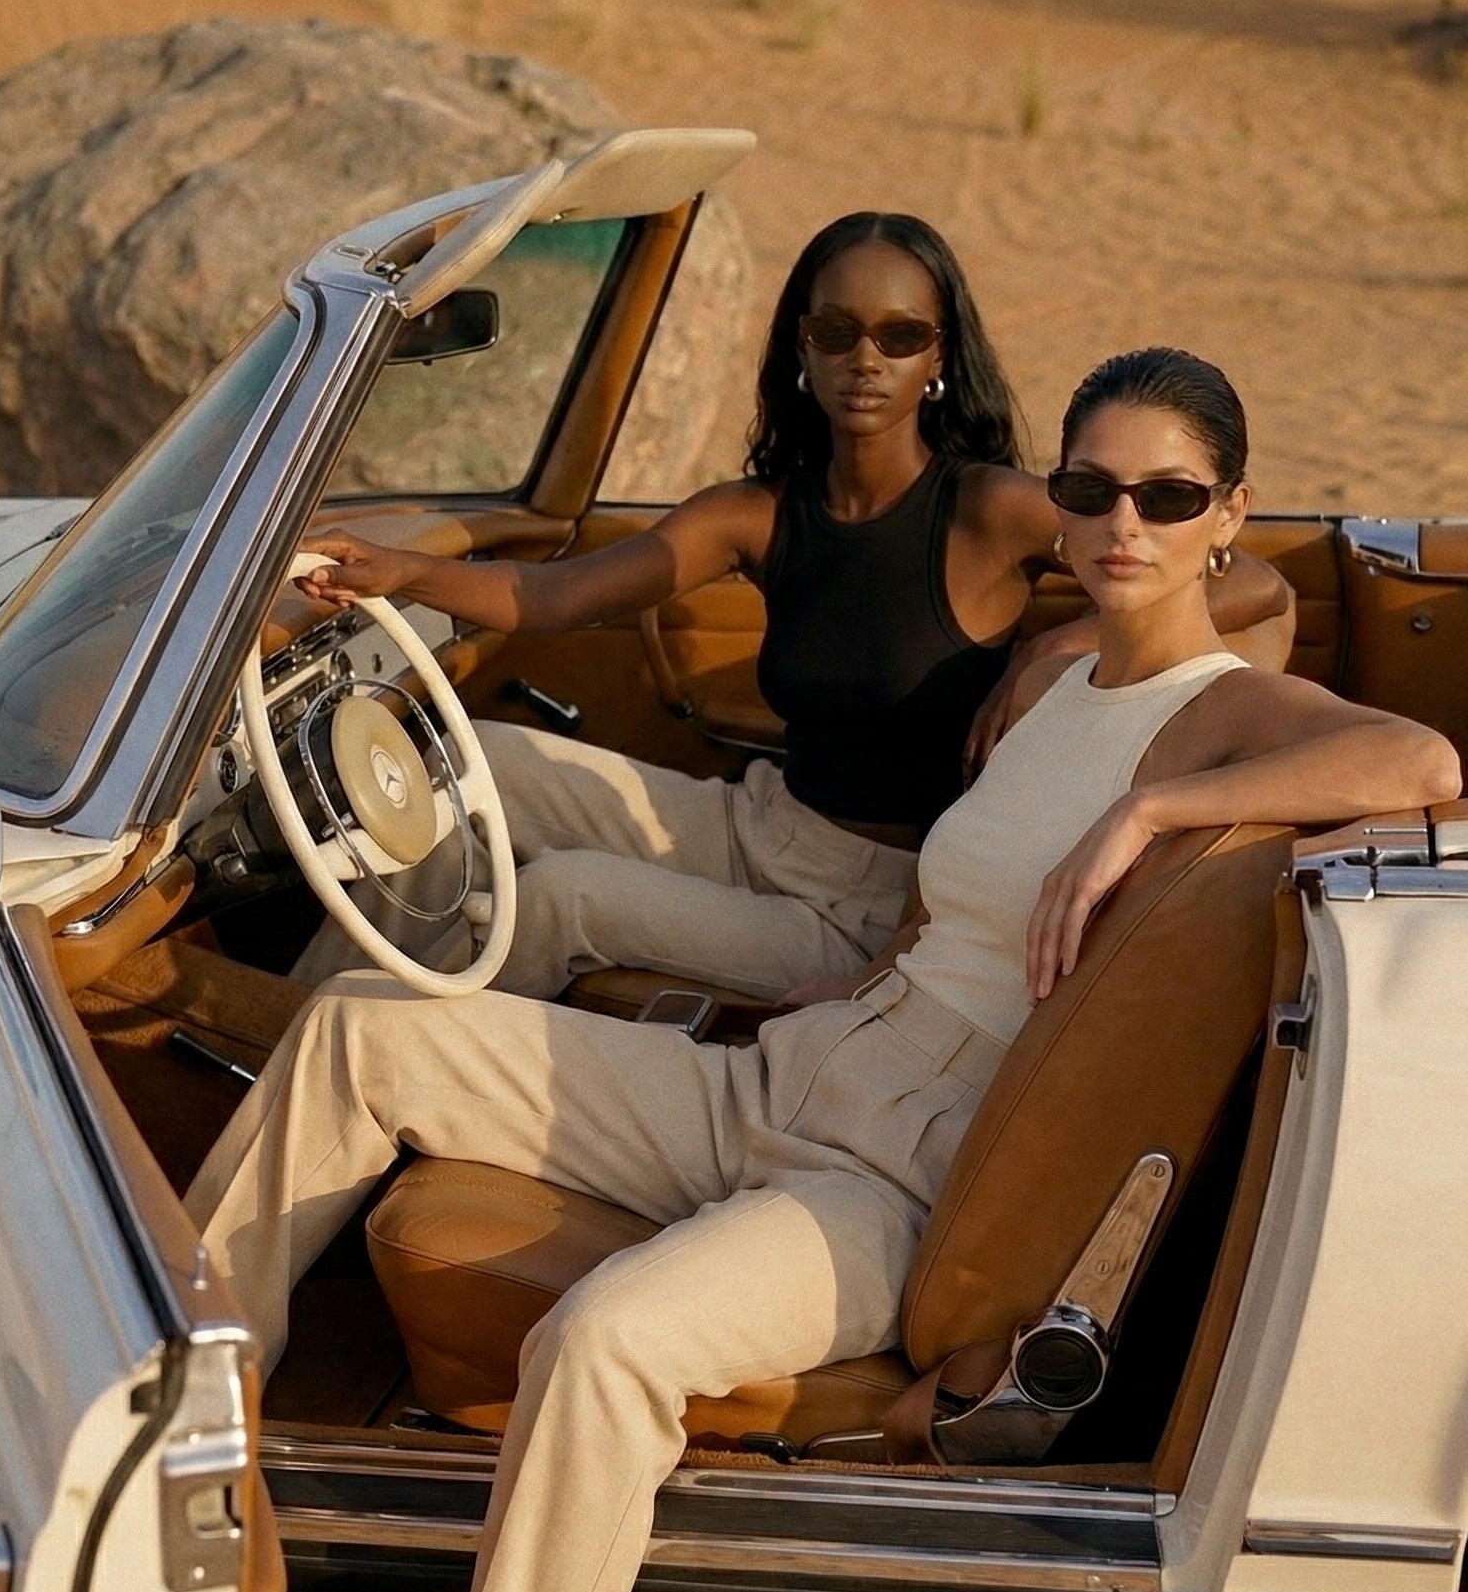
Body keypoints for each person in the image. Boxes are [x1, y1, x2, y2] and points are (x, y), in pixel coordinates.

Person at [190, 346, 1449, 1592]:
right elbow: (949, 918)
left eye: (1163, 497)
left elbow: (1425, 767)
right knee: (363, 1031)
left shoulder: (1213, 704)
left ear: (1229, 513)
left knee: (607, 1341)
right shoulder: (1059, 674)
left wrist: (1163, 804)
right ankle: (176, 1427)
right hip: (799, 1072)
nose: (1120, 525)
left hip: (899, 1184)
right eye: (1088, 490)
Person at [294, 217, 1290, 1004]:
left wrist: (1061, 642)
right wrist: (398, 572)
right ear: (801, 351)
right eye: (836, 332)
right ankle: (322, 1013)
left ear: (937, 357)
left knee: (560, 898)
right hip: (760, 822)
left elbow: (1251, 582)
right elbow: (551, 596)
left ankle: (415, 1071)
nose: (867, 360)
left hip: (867, 900)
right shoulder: (757, 514)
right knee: (468, 764)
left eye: (901, 337)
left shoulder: (989, 507)